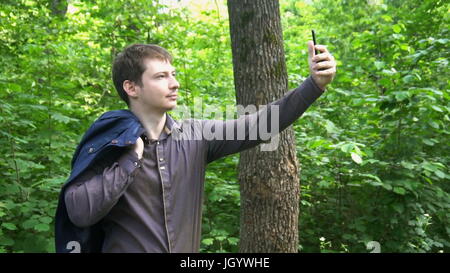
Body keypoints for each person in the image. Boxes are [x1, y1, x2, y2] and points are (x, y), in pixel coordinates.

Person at [55, 42, 336, 253]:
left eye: (173, 74)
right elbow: (80, 212)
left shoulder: (194, 134)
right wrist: (131, 158)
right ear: (131, 87)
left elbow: (261, 123)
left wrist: (314, 85)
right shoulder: (110, 143)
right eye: (161, 76)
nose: (175, 83)